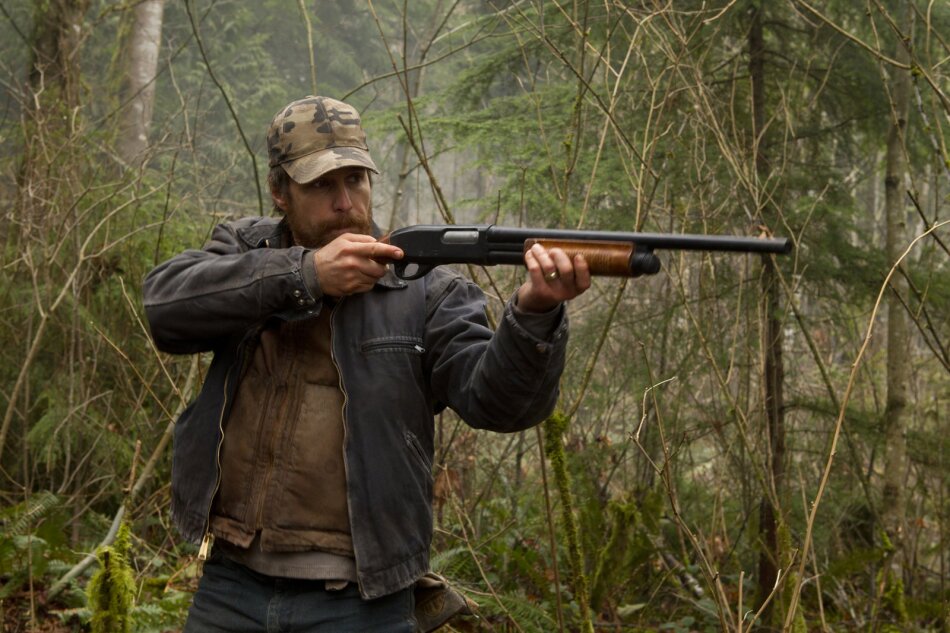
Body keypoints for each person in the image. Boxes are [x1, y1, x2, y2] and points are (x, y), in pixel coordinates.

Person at [143, 95, 590, 632]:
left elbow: (500, 404)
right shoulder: (245, 250)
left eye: (355, 180)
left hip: (363, 600)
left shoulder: (426, 290)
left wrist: (535, 313)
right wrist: (305, 275)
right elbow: (165, 308)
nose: (344, 203)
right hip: (230, 585)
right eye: (321, 185)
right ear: (280, 191)